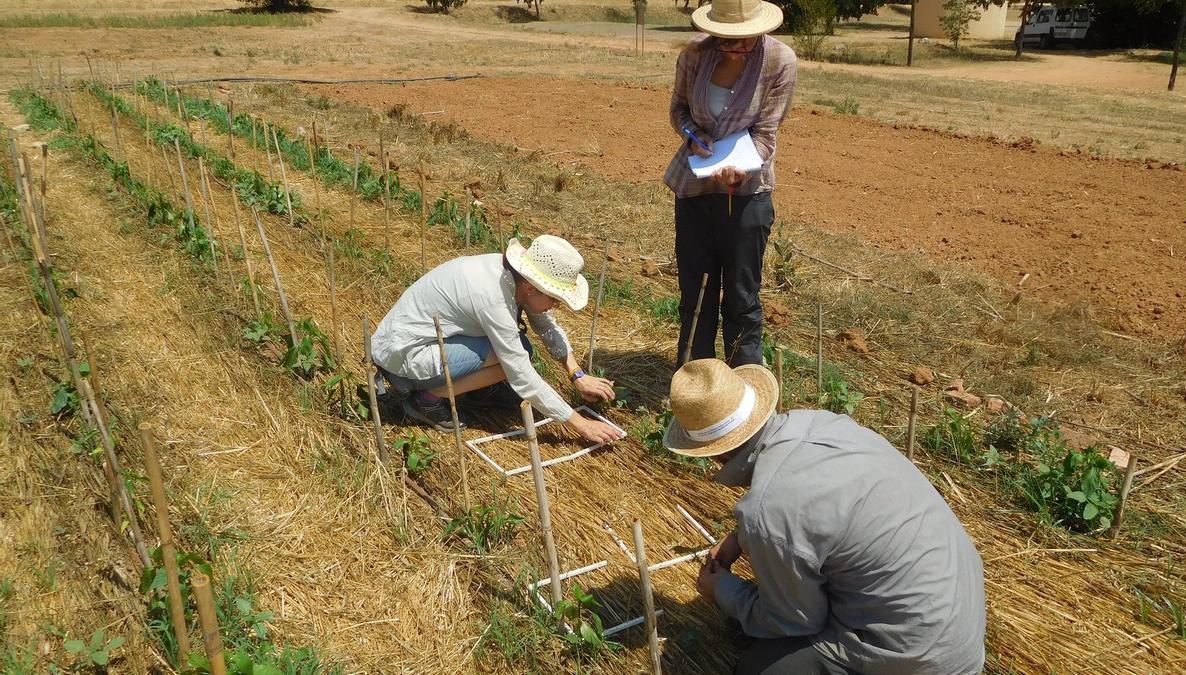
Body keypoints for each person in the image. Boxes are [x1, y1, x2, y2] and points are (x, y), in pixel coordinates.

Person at [663, 359, 986, 674]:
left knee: (762, 666)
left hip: (920, 656)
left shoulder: (769, 508)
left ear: (714, 453)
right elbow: (820, 509)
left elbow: (795, 621)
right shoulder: (820, 423)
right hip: (960, 616)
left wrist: (723, 590)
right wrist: (739, 538)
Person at [370, 234, 623, 445]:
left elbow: (546, 326)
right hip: (406, 358)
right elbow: (521, 374)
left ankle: (476, 389)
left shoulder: (511, 277)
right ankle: (426, 399)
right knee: (511, 360)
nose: (556, 305)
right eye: (555, 298)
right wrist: (581, 424)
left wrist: (576, 373)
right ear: (532, 288)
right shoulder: (492, 298)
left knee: (520, 347)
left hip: (413, 345)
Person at [665, 0, 797, 368]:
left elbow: (767, 134)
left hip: (748, 195)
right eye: (726, 40)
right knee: (697, 295)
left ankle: (743, 389)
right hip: (694, 189)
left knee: (741, 297)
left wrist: (741, 169)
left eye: (746, 40)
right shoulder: (694, 57)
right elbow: (678, 110)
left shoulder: (779, 62)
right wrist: (692, 136)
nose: (737, 47)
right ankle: (699, 384)